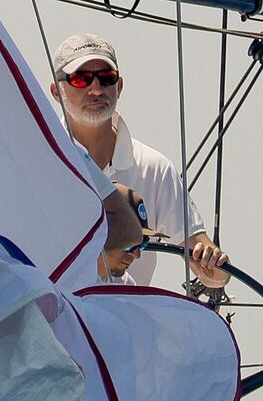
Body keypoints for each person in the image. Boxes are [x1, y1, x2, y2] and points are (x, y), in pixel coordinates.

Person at [50, 33, 230, 288]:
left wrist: (214, 267)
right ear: (56, 92)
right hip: (56, 319)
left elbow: (213, 273)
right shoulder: (43, 163)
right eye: (81, 79)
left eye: (106, 78)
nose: (96, 89)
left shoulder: (154, 167)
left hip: (129, 321)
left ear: (119, 86)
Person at [98, 188, 169, 284]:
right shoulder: (71, 277)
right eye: (128, 243)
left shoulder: (127, 285)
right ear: (100, 231)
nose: (137, 255)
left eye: (142, 243)